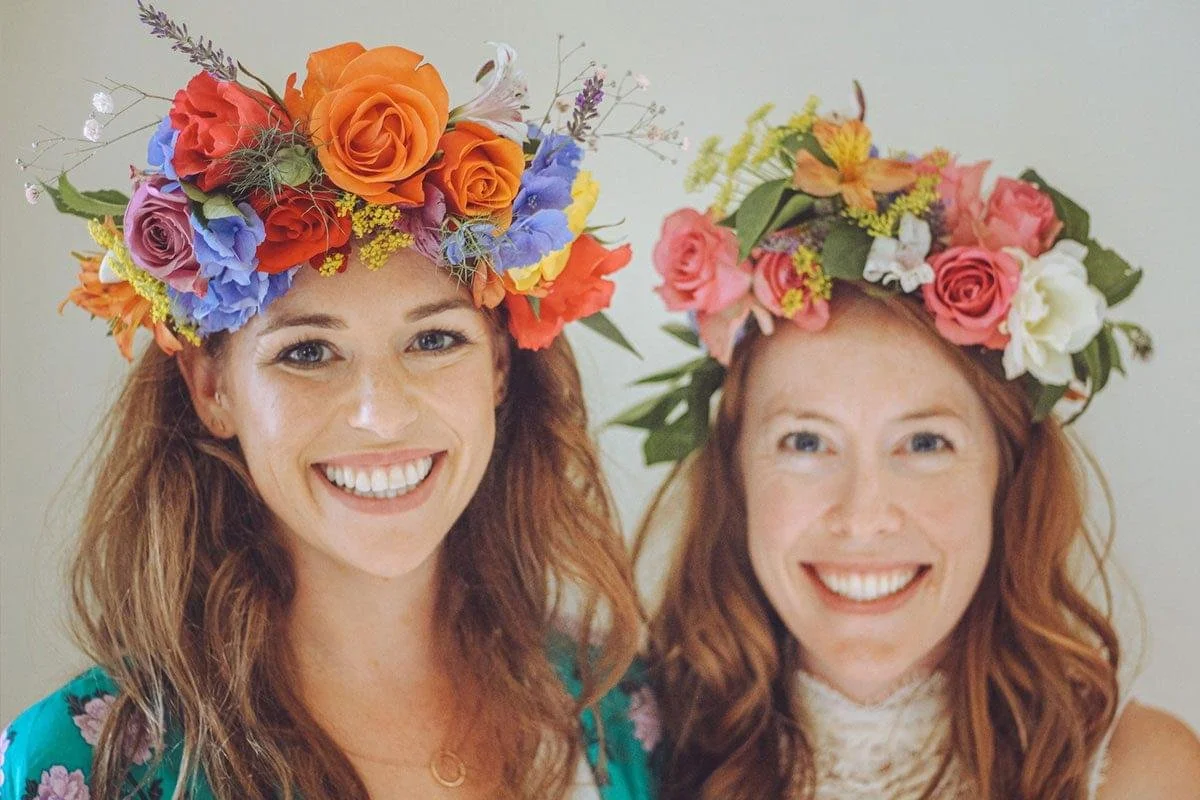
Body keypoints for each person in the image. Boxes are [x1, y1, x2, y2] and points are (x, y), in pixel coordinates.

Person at [2, 11, 664, 799]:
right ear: (213, 390)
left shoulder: (615, 709)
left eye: (434, 340)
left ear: (498, 366)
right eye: (308, 352)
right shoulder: (84, 762)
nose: (382, 414)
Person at [619, 96, 1200, 798]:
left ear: (1007, 475)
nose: (863, 517)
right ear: (736, 475)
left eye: (924, 442)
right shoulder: (618, 756)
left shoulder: (1140, 773)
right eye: (806, 441)